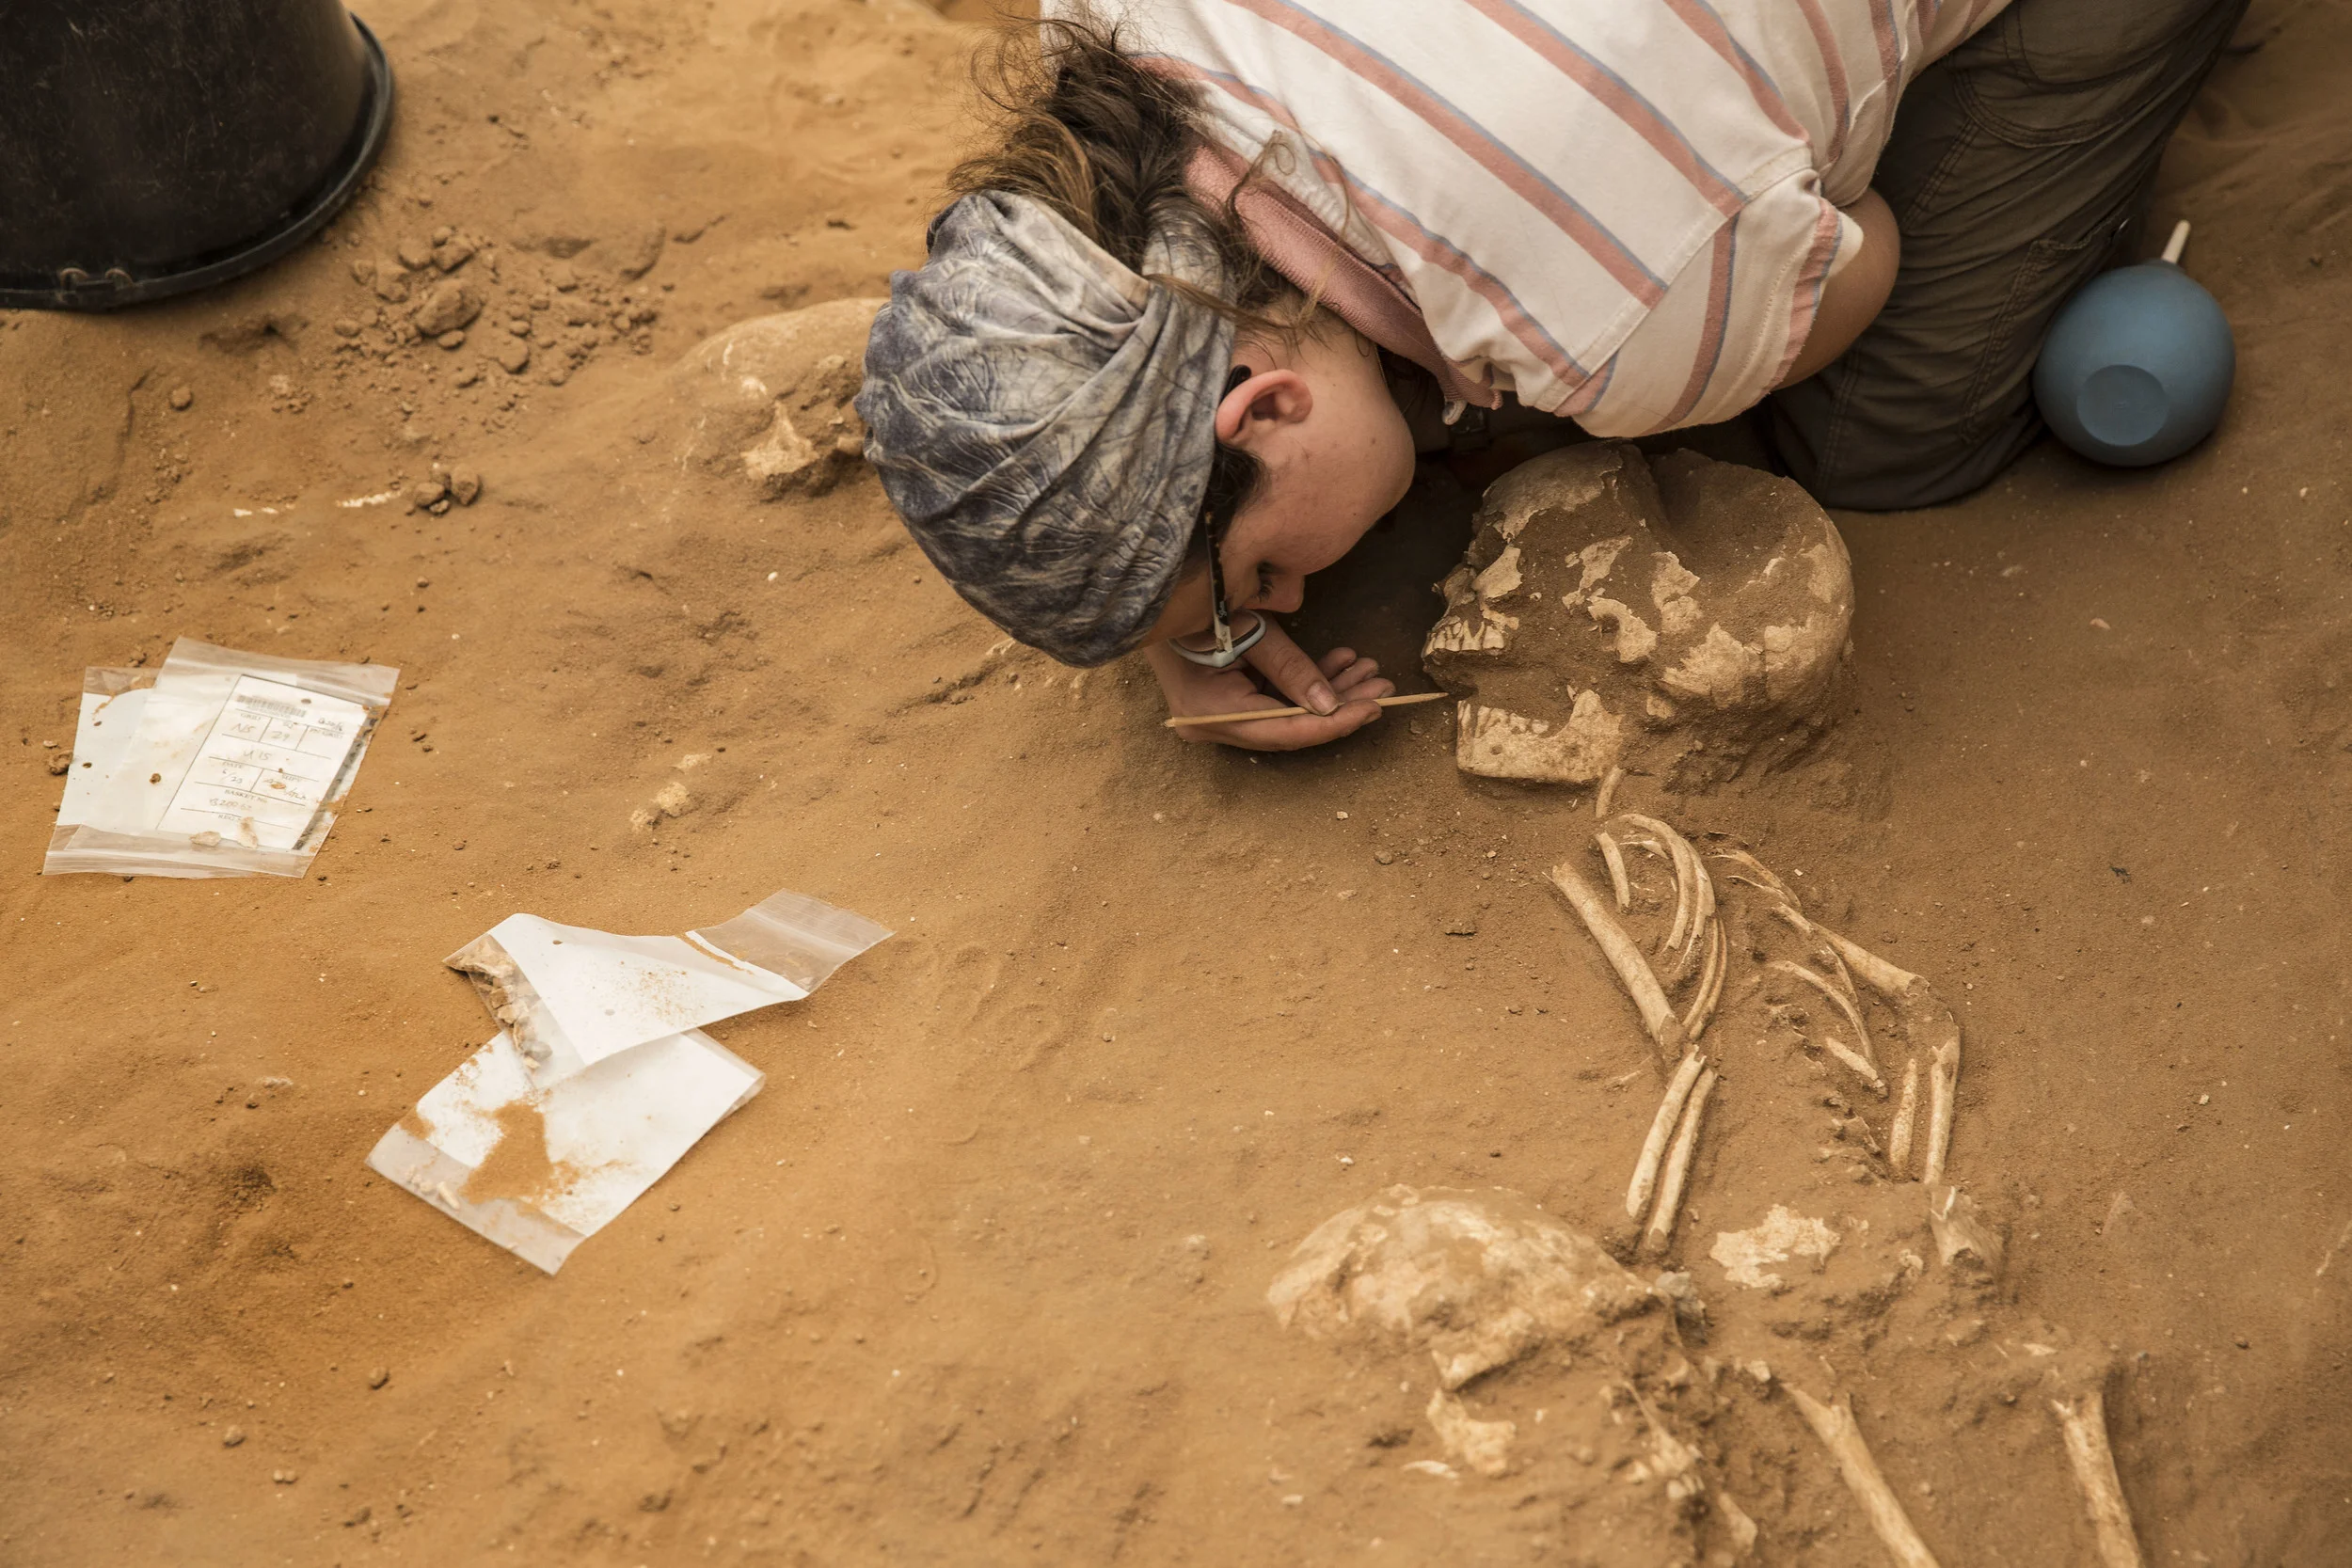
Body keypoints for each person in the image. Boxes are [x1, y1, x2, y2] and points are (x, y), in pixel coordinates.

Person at [857, 0, 2248, 750]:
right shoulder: (1090, 28)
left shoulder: (1612, 329)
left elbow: (1867, 248)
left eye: (1262, 582)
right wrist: (1175, 607)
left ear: (1267, 402)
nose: (1298, 596)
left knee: (1880, 432)